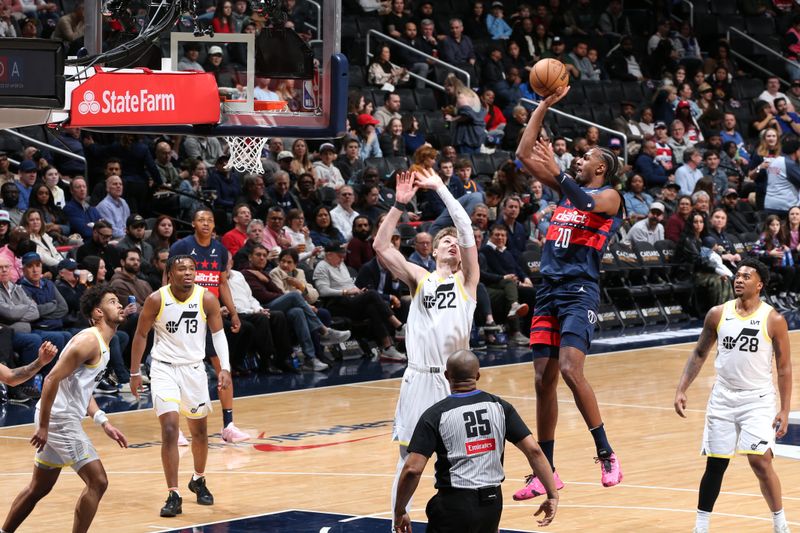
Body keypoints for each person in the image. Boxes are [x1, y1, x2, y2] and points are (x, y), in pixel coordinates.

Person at [514, 85, 624, 500]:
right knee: (543, 379)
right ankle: (547, 472)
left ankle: (607, 453)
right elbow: (525, 154)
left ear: (601, 168)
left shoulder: (611, 196)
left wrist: (559, 171)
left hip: (579, 291)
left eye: (587, 158)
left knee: (572, 370)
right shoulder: (567, 191)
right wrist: (541, 106)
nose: (579, 159)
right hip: (548, 291)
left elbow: (586, 201)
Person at [373, 167, 479, 522]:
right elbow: (380, 246)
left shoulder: (467, 282)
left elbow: (465, 227)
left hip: (455, 383)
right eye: (444, 242)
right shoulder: (420, 279)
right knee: (408, 461)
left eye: (455, 243)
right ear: (432, 252)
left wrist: (441, 189)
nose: (452, 244)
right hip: (419, 379)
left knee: (460, 460)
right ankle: (397, 520)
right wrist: (399, 205)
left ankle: (460, 523)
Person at [674, 259, 792, 533]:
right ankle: (700, 527)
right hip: (723, 398)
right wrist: (682, 388)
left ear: (759, 285)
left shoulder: (774, 319)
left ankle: (780, 523)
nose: (739, 279)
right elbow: (700, 353)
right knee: (715, 463)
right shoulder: (717, 313)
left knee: (760, 461)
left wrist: (784, 410)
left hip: (758, 399)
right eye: (737, 275)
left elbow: (784, 368)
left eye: (746, 276)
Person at [1, 287, 126, 533]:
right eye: (113, 302)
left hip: (60, 417)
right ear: (98, 312)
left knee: (39, 487)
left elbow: (82, 389)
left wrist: (103, 421)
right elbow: (50, 380)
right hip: (60, 420)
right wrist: (45, 426)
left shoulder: (103, 344)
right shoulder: (88, 341)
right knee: (98, 482)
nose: (120, 305)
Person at [393, 350, 558, 533]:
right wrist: (552, 494)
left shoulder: (435, 415)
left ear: (447, 376)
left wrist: (400, 509)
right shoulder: (501, 407)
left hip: (454, 505)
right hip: (492, 504)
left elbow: (412, 470)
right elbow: (534, 450)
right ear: (478, 375)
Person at [130, 255, 231, 517]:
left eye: (191, 268)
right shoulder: (156, 299)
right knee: (170, 429)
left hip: (194, 370)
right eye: (181, 269)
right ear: (169, 274)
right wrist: (134, 372)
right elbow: (141, 334)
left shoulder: (207, 298)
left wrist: (225, 369)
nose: (188, 273)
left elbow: (218, 335)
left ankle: (198, 479)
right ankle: (173, 494)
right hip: (163, 368)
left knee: (199, 432)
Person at [165, 208, 248, 443]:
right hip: (183, 316)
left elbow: (222, 284)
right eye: (201, 219)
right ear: (193, 223)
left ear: (214, 226)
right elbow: (166, 281)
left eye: (210, 220)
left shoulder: (220, 250)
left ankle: (229, 425)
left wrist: (233, 313)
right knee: (181, 371)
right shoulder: (181, 247)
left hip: (209, 316)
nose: (206, 223)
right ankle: (178, 428)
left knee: (224, 367)